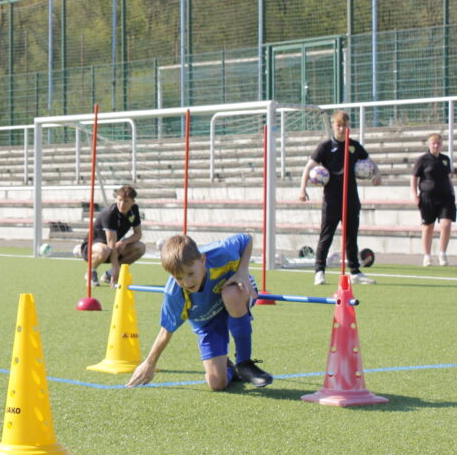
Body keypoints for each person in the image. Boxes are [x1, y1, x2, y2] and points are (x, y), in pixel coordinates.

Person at [126, 233, 272, 390]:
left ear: (202, 260)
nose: (187, 282)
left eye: (190, 273)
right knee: (217, 384)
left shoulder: (222, 252)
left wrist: (242, 270)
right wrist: (149, 363)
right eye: (179, 278)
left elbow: (247, 239)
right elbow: (165, 332)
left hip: (237, 292)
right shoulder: (174, 294)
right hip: (207, 321)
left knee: (231, 294)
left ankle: (244, 363)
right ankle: (231, 369)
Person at [299, 110, 381, 286]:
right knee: (326, 235)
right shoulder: (325, 147)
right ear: (333, 126)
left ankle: (355, 272)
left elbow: (370, 161)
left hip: (351, 198)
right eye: (339, 125)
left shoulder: (354, 146)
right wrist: (302, 188)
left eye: (345, 125)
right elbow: (308, 167)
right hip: (332, 198)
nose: (342, 129)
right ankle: (319, 271)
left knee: (351, 236)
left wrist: (377, 174)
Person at [78, 185, 146, 287]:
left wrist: (124, 241)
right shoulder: (109, 213)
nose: (122, 204)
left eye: (126, 201)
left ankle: (108, 275)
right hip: (92, 248)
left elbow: (138, 234)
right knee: (104, 250)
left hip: (112, 247)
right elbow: (111, 243)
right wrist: (116, 268)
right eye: (119, 200)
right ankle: (91, 271)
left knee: (140, 247)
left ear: (133, 202)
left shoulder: (134, 210)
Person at [411, 133, 455, 267]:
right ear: (429, 145)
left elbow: (448, 177)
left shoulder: (445, 159)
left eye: (438, 143)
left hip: (446, 197)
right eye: (433, 143)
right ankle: (427, 256)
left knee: (446, 224)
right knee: (428, 226)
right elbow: (414, 177)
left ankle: (442, 254)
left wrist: (452, 192)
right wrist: (415, 195)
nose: (436, 145)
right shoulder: (422, 160)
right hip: (427, 197)